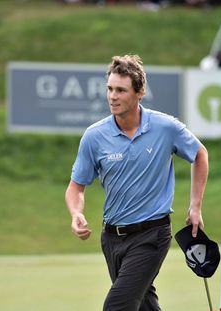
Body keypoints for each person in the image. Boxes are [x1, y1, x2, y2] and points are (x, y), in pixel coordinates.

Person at [65, 54, 209, 311]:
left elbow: (199, 154)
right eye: (109, 89)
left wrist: (195, 205)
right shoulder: (94, 136)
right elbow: (76, 186)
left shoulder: (165, 127)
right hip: (111, 239)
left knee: (117, 306)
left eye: (121, 90)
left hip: (151, 235)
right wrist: (76, 212)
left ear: (140, 92)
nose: (112, 96)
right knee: (143, 306)